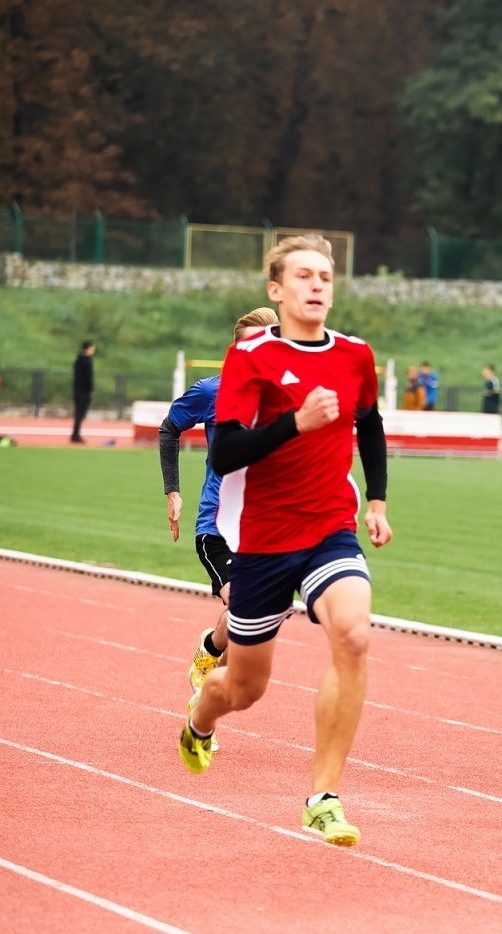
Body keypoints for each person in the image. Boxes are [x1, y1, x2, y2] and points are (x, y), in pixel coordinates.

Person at [177, 234, 392, 848]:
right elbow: (224, 450)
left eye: (325, 276)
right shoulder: (251, 358)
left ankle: (323, 798)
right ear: (277, 290)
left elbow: (370, 424)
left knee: (353, 634)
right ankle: (200, 718)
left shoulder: (355, 355)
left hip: (329, 526)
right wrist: (296, 421)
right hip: (264, 540)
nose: (317, 285)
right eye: (303, 276)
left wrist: (376, 499)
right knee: (243, 689)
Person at [159, 307, 279, 734]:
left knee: (248, 626)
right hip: (217, 524)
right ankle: (206, 687)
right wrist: (172, 490)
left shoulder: (285, 393)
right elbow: (169, 428)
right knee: (242, 605)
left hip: (264, 525)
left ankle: (209, 661)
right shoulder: (213, 390)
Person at [71, 341, 95, 442]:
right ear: (88, 349)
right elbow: (88, 378)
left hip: (77, 389)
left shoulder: (78, 360)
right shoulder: (87, 362)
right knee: (81, 413)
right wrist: (90, 390)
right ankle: (76, 435)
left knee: (78, 413)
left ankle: (75, 434)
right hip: (84, 391)